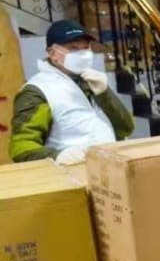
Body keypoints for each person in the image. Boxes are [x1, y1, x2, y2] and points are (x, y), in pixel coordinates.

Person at [9, 19, 133, 164]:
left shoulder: (90, 80)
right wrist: (58, 156)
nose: (82, 54)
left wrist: (105, 94)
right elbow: (21, 147)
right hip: (70, 176)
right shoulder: (37, 91)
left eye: (85, 48)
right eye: (73, 48)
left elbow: (126, 128)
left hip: (107, 168)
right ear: (52, 53)